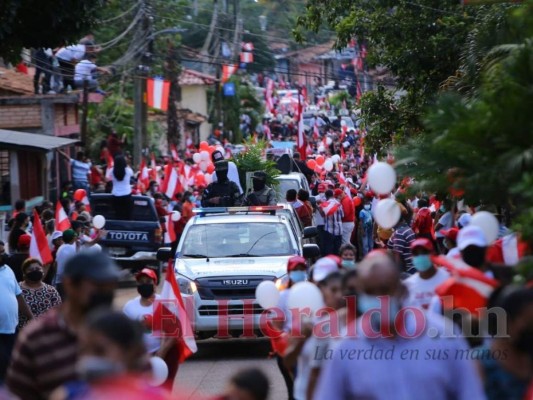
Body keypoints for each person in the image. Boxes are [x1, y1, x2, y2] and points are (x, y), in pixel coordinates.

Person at [313, 251, 486, 400]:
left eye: (384, 289)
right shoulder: (345, 347)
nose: (379, 298)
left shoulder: (443, 335)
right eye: (370, 292)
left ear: (402, 290)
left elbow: (470, 393)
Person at [6, 252, 119, 400]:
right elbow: (18, 393)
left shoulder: (122, 332)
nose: (106, 292)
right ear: (70, 284)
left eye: (110, 285)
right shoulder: (37, 337)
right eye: (98, 285)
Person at [284, 270, 343, 400]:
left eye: (342, 291)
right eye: (333, 290)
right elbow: (288, 361)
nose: (339, 295)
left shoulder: (352, 323)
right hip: (304, 394)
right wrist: (302, 340)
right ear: (322, 290)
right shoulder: (307, 320)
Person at [123, 268, 178, 390]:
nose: (144, 285)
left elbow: (175, 332)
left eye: (148, 281)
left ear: (155, 283)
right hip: (140, 357)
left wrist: (162, 351)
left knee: (163, 391)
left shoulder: (164, 303)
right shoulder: (129, 307)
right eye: (141, 282)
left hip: (163, 354)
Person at [274, 256, 308, 400]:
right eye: (295, 270)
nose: (299, 273)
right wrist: (283, 339)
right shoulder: (283, 296)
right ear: (289, 273)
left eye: (302, 270)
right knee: (294, 390)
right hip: (289, 347)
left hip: (309, 346)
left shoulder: (312, 292)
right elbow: (277, 323)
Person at [0, 261, 33, 382]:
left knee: (10, 365)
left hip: (10, 328)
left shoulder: (8, 269)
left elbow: (18, 296)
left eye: (2, 252)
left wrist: (31, 318)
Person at [403, 238, 450, 310]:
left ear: (433, 253)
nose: (420, 257)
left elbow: (451, 314)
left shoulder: (447, 280)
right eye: (416, 254)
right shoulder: (408, 285)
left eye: (424, 253)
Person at [18, 258, 62, 329]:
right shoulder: (17, 289)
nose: (35, 271)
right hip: (23, 331)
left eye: (38, 269)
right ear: (24, 273)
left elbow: (58, 312)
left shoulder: (51, 290)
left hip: (46, 332)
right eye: (31, 269)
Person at [107, 155, 134, 220]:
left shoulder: (111, 171)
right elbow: (132, 176)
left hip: (115, 195)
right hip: (127, 194)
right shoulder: (128, 170)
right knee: (128, 216)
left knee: (118, 215)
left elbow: (107, 179)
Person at [53, 229, 78, 298]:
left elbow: (55, 264)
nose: (76, 237)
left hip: (59, 280)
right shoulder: (71, 249)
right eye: (74, 236)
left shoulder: (61, 247)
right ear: (72, 238)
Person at [318, 189, 343, 256]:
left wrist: (319, 208)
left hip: (329, 230)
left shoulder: (325, 205)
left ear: (326, 196)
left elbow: (323, 215)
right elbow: (342, 215)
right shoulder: (338, 204)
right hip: (339, 230)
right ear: (333, 195)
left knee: (329, 250)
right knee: (337, 251)